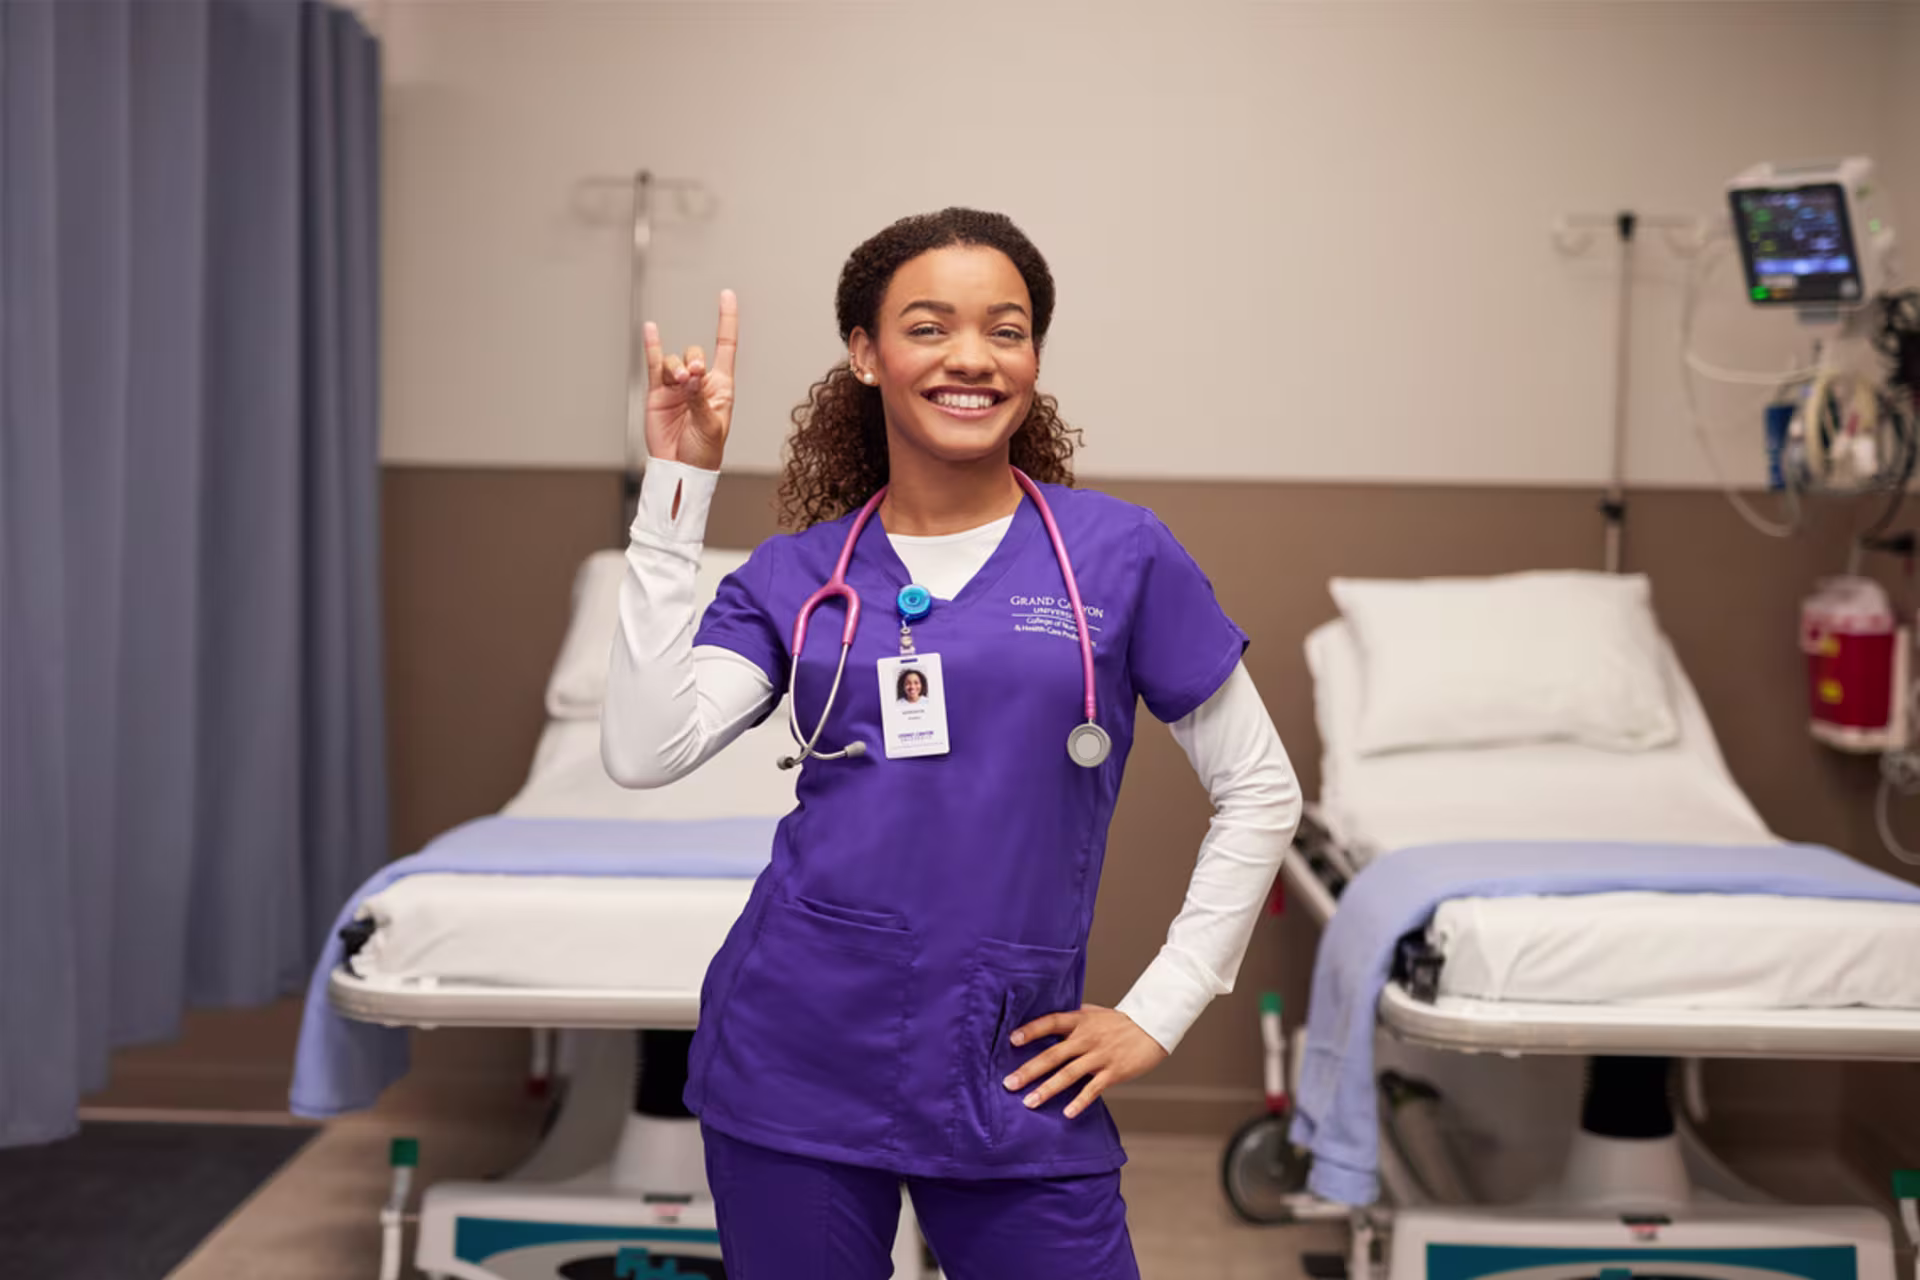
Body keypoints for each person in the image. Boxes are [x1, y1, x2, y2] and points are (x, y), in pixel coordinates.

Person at [603, 208, 1300, 1279]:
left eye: (1005, 330)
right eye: (928, 328)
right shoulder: (798, 575)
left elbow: (1260, 789)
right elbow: (646, 750)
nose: (971, 357)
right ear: (865, 354)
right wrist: (678, 488)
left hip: (1015, 1056)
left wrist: (1162, 1006)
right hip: (794, 1044)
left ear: (1034, 359)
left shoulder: (1119, 556)